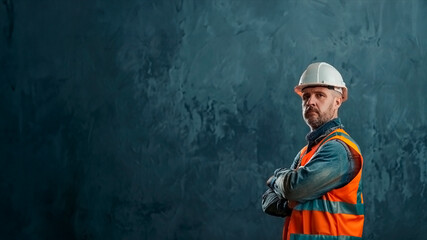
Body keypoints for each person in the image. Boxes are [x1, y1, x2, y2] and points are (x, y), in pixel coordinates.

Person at [261, 62, 364, 240]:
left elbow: (292, 189)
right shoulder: (306, 152)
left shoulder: (339, 149)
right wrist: (287, 204)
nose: (310, 102)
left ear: (337, 101)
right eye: (306, 96)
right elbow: (267, 202)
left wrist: (276, 177)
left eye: (320, 95)